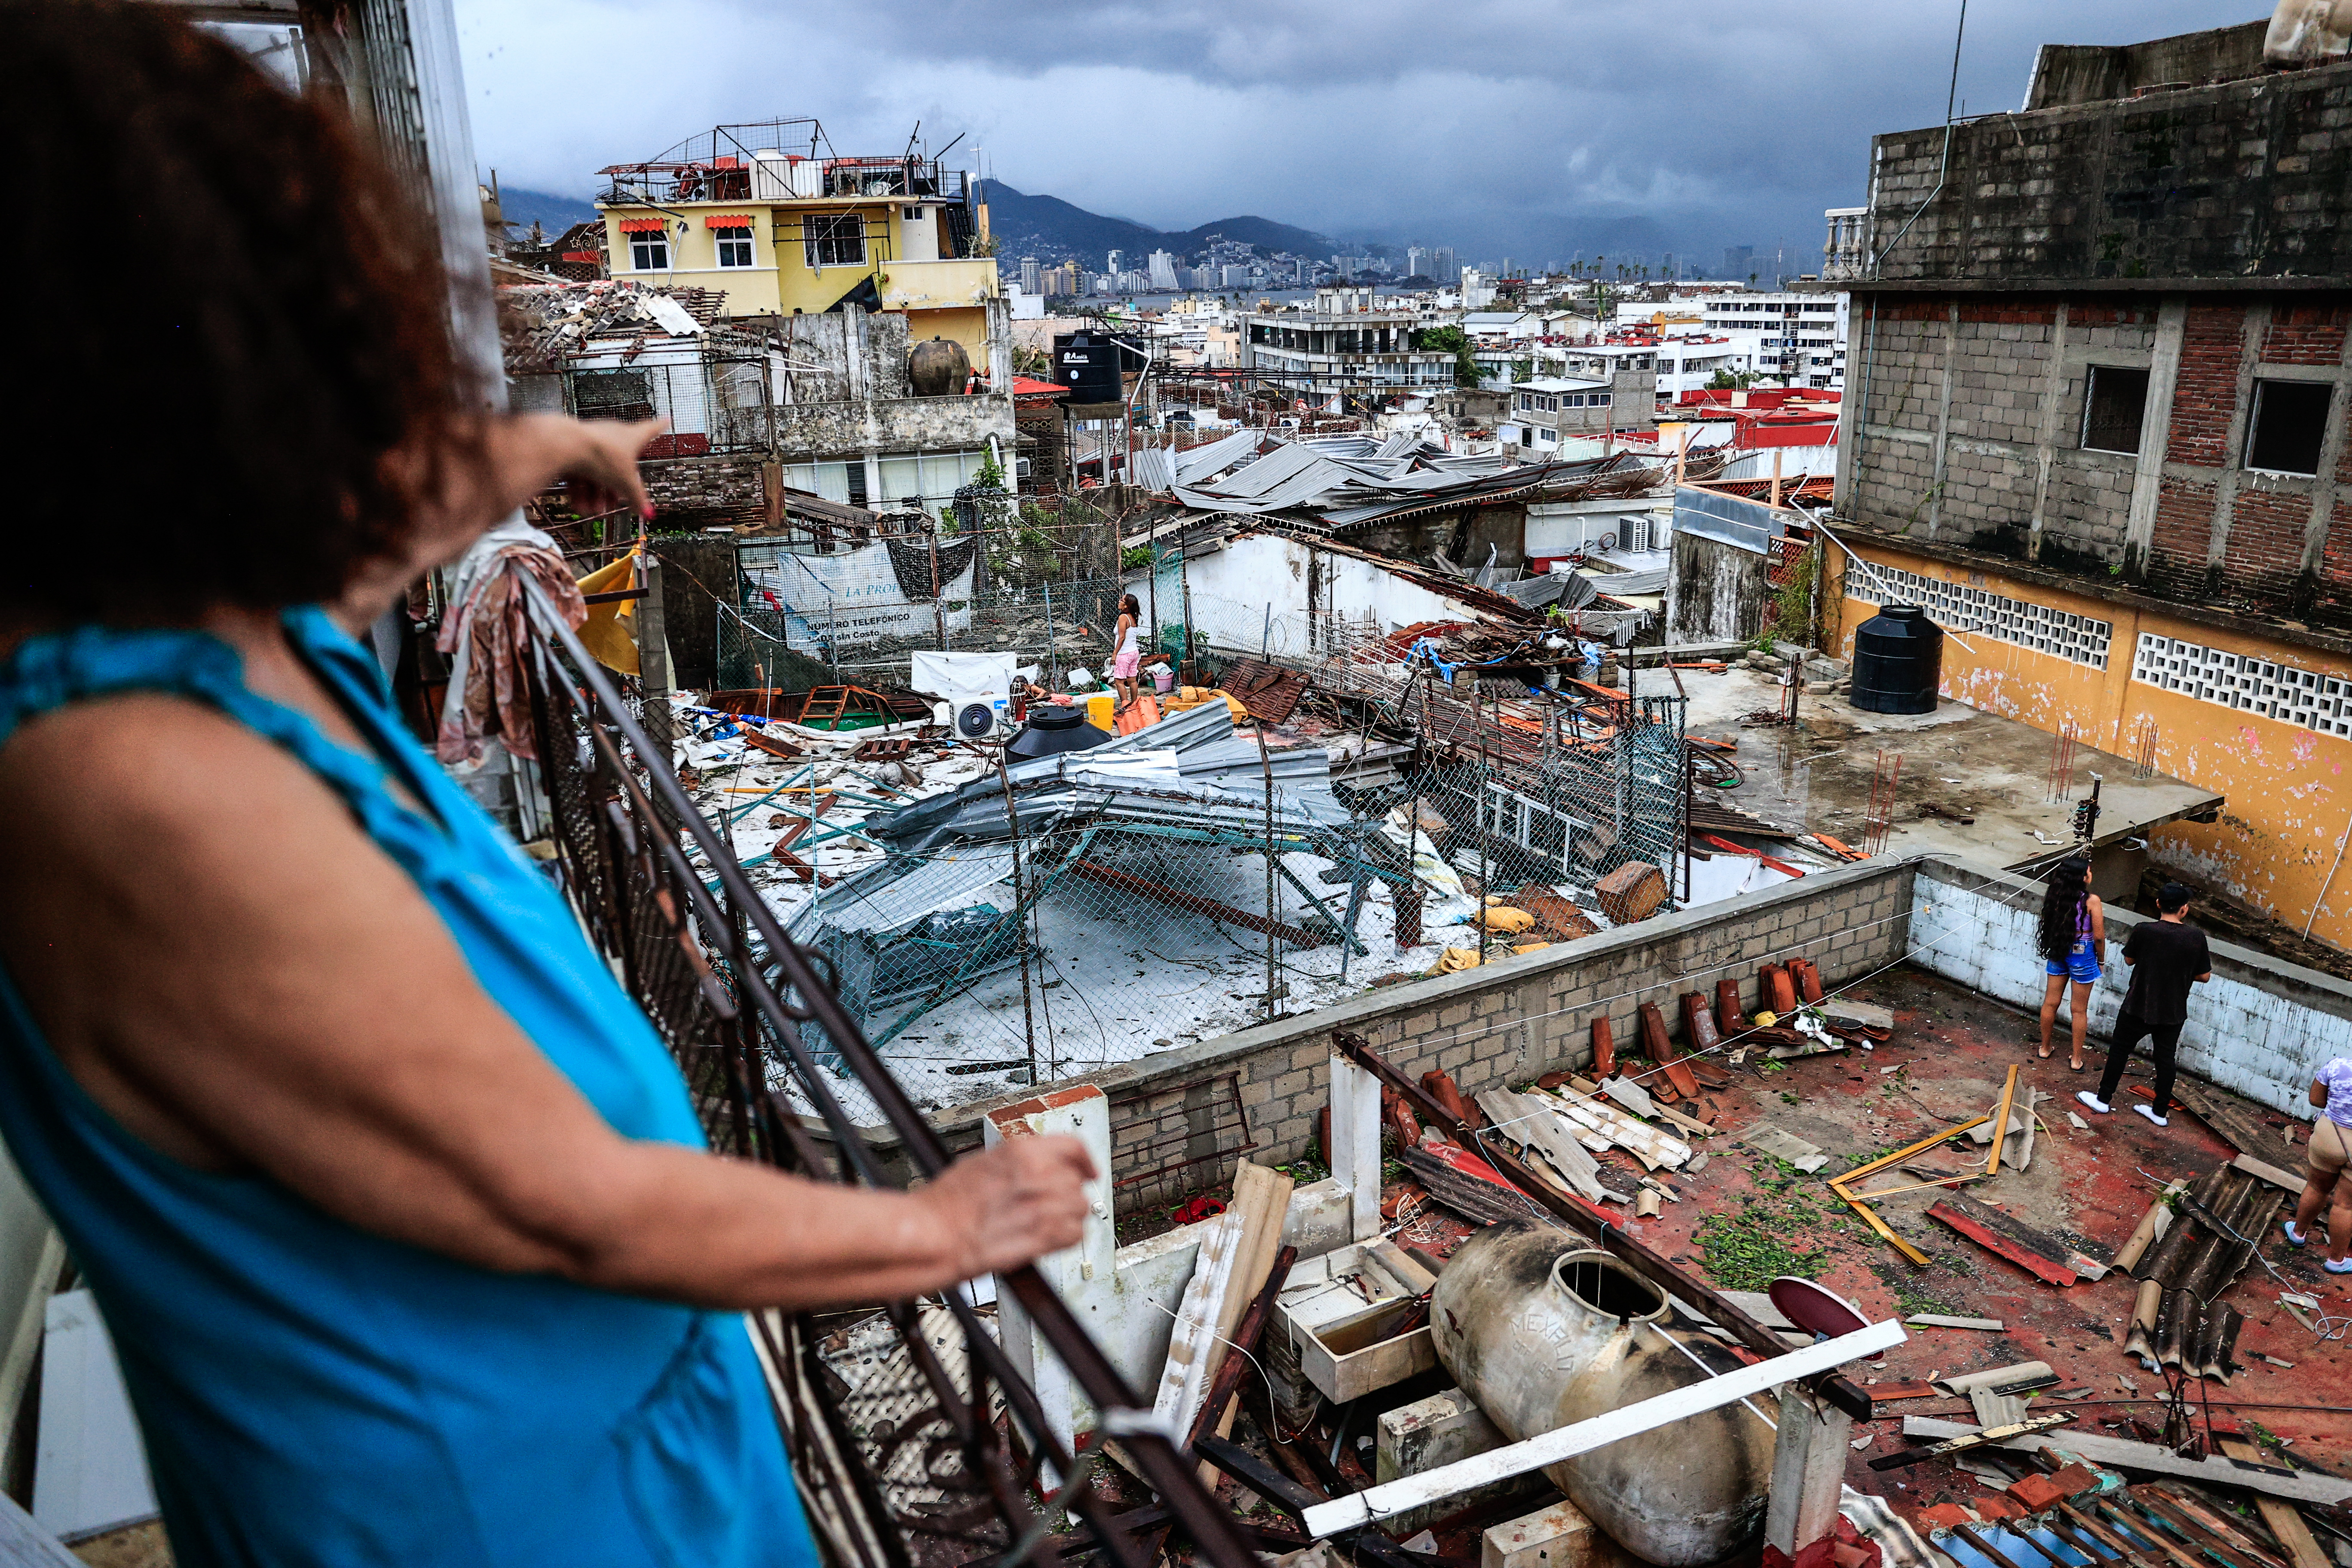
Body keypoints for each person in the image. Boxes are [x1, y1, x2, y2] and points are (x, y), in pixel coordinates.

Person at [0, 7, 1093, 1565]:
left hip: (584, 1461)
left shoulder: (199, 636)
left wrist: (545, 446)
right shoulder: (137, 788)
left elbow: (364, 539)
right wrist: (937, 1225)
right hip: (491, 1514)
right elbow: (565, 1204)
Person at [2076, 882, 2210, 1126]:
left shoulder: (2144, 930)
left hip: (2138, 1004)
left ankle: (2103, 1099)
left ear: (2158, 904)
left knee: (2120, 1051)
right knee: (2166, 1060)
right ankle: (2159, 1112)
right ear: (2185, 909)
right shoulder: (2196, 937)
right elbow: (2204, 976)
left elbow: (2129, 960)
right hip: (2173, 1010)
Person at [2034, 856, 2104, 1070]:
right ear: (2083, 877)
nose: (2091, 874)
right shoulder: (2092, 901)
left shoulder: (2055, 895)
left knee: (2050, 1003)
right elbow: (2099, 937)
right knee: (2079, 1010)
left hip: (2058, 948)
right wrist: (2101, 960)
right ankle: (2076, 1060)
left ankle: (2045, 1048)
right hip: (2083, 954)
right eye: (2089, 871)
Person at [2285, 1057, 2352, 1273]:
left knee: (2316, 1187)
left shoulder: (2338, 1066)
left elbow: (2316, 1100)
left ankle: (2297, 1233)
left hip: (2330, 1135)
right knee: (2346, 1206)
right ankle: (2336, 1261)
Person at [1110, 591, 1145, 715]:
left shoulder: (1123, 618)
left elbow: (1122, 637)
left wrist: (1115, 654)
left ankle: (1125, 707)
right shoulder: (1132, 617)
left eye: (1122, 600)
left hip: (1124, 654)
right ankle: (1134, 704)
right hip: (1134, 652)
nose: (1119, 601)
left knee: (1119, 681)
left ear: (1126, 606)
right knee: (1132, 680)